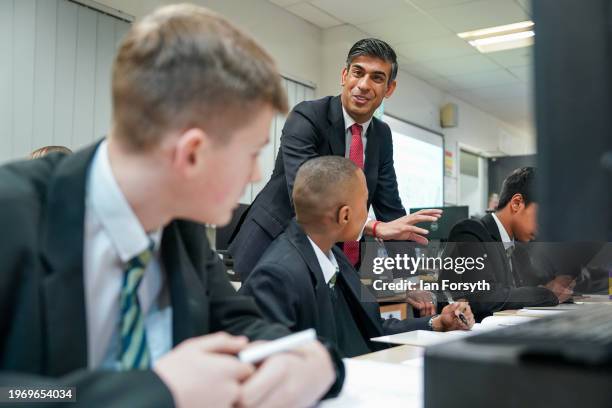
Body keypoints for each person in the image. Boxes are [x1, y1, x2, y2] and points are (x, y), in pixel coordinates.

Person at [0, 5, 343, 407]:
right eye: (252, 153)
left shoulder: (178, 223)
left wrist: (316, 360)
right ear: (192, 154)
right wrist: (158, 391)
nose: (254, 174)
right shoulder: (12, 215)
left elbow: (242, 324)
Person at [229, 38, 442, 280]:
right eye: (357, 73)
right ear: (344, 75)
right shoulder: (308, 116)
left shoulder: (382, 135)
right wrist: (373, 227)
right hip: (269, 246)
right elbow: (307, 194)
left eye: (377, 77)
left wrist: (410, 279)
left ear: (389, 89)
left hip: (327, 257)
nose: (363, 85)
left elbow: (391, 210)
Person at [240, 157, 474, 358]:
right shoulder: (278, 275)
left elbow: (372, 326)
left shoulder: (334, 257)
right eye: (365, 203)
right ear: (344, 215)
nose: (368, 213)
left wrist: (437, 323)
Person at [441, 167, 574, 320]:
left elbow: (528, 289)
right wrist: (547, 293)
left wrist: (560, 288)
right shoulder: (470, 233)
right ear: (517, 203)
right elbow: (484, 297)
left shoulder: (519, 251)